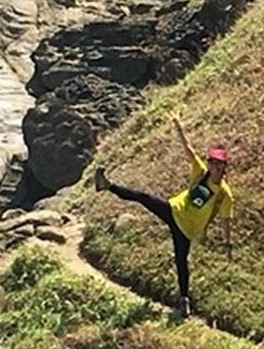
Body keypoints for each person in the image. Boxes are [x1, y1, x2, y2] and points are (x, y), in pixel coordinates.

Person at [92, 112, 233, 316]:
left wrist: (228, 244)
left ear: (224, 167)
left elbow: (226, 219)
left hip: (187, 228)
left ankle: (184, 300)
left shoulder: (224, 194)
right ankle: (107, 185)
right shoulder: (201, 172)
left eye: (218, 164)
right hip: (173, 210)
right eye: (211, 162)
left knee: (181, 261)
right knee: (144, 197)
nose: (213, 166)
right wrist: (178, 126)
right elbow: (189, 150)